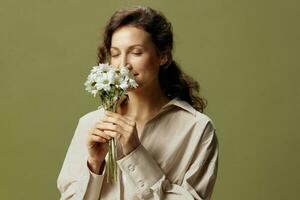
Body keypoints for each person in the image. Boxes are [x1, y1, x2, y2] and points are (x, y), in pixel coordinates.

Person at [57, 5, 219, 200]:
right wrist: (94, 164)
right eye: (115, 54)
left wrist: (135, 152)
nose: (123, 64)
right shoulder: (91, 124)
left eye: (136, 52)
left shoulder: (197, 129)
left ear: (163, 56)